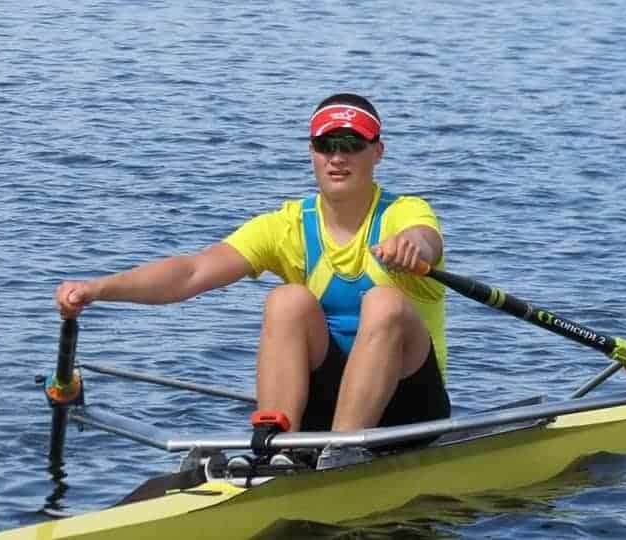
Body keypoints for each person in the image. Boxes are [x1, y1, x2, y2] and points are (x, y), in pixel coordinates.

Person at [56, 93, 451, 464]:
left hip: (409, 408)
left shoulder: (404, 213)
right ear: (311, 152)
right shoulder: (288, 225)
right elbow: (192, 272)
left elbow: (426, 238)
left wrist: (413, 247)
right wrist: (99, 289)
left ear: (377, 152)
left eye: (351, 145)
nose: (337, 158)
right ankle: (278, 452)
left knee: (385, 302)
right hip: (324, 409)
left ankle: (341, 454)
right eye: (325, 145)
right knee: (287, 301)